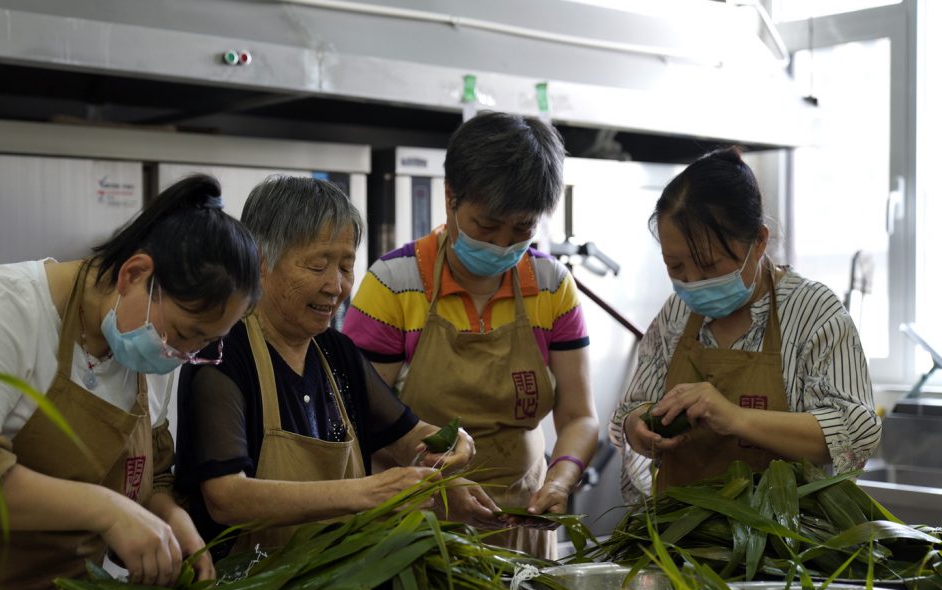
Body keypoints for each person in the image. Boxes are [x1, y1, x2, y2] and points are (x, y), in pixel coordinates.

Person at [0, 174, 260, 590]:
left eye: (203, 344)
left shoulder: (151, 354)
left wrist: (172, 520)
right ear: (135, 274)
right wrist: (107, 509)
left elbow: (151, 477)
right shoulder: (7, 306)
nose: (183, 355)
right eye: (183, 334)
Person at [174, 176, 498, 561]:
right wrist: (368, 494)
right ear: (260, 262)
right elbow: (226, 497)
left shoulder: (337, 352)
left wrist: (448, 454)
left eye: (346, 266)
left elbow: (409, 437)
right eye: (317, 265)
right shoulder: (222, 355)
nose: (337, 286)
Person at [343, 111, 600, 559]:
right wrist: (441, 483)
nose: (502, 244)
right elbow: (359, 420)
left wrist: (561, 478)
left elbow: (579, 415)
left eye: (522, 228)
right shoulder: (393, 283)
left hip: (521, 519)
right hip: (417, 525)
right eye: (486, 226)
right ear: (450, 198)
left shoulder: (552, 285)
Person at [610, 148, 883, 500]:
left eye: (709, 266)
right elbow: (632, 409)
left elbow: (855, 432)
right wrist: (637, 427)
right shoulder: (676, 314)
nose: (692, 281)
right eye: (676, 267)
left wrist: (735, 418)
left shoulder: (813, 312)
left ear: (759, 241)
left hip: (782, 544)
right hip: (678, 543)